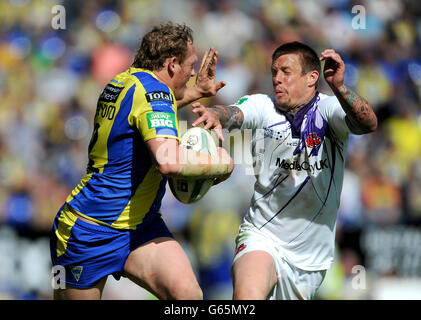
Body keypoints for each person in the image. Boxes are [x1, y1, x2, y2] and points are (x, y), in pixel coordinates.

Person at [50, 22, 234, 300]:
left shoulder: (124, 81)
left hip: (141, 226)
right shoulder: (155, 95)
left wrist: (196, 91)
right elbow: (168, 162)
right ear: (172, 63)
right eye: (191, 64)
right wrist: (223, 164)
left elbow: (153, 104)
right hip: (91, 229)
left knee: (187, 295)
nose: (194, 71)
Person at [191, 41, 377, 300]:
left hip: (310, 258)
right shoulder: (262, 105)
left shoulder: (330, 109)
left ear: (312, 77)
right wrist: (214, 112)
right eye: (274, 72)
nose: (277, 79)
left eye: (286, 72)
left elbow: (368, 123)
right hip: (261, 235)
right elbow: (234, 113)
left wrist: (340, 88)